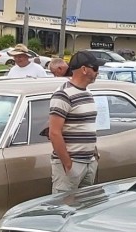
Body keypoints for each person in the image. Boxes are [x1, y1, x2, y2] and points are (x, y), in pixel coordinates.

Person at [48, 50, 106, 193]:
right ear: (84, 69)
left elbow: (88, 125)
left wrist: (94, 155)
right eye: (95, 68)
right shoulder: (63, 94)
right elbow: (54, 133)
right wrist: (68, 165)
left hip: (89, 162)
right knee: (64, 208)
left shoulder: (87, 93)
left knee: (84, 208)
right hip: (72, 163)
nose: (98, 72)